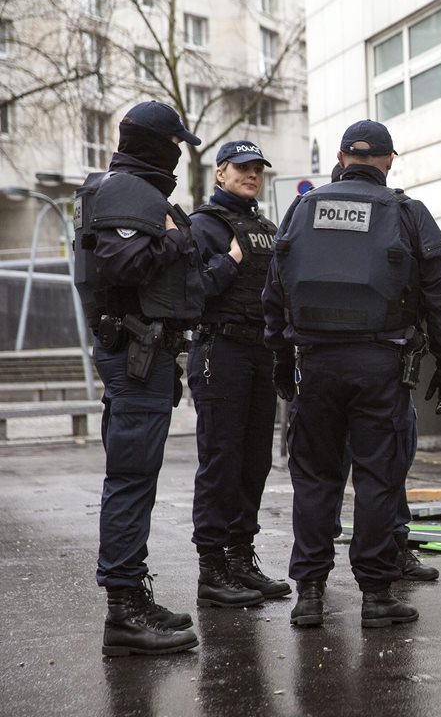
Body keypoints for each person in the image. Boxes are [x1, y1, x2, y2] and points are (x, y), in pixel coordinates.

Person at [264, 119, 441, 629]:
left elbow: (276, 291)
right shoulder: (408, 212)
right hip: (380, 367)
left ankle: (309, 594)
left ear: (340, 157)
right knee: (377, 479)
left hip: (316, 366)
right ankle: (376, 597)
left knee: (315, 481)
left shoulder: (303, 209)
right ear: (389, 160)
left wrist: (283, 364)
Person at [73, 100, 205, 656]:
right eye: (174, 144)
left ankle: (131, 595)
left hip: (140, 354)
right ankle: (123, 613)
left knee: (135, 478)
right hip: (135, 354)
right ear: (156, 144)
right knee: (130, 479)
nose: (178, 154)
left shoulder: (125, 189)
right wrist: (179, 236)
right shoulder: (128, 189)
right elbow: (123, 265)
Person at [186, 140, 291, 608]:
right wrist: (228, 262)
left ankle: (241, 558)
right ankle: (212, 568)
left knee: (254, 462)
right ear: (220, 174)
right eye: (243, 169)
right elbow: (190, 295)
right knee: (221, 462)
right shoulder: (203, 226)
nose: (252, 176)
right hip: (219, 350)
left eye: (257, 170)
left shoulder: (268, 229)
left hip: (260, 352)